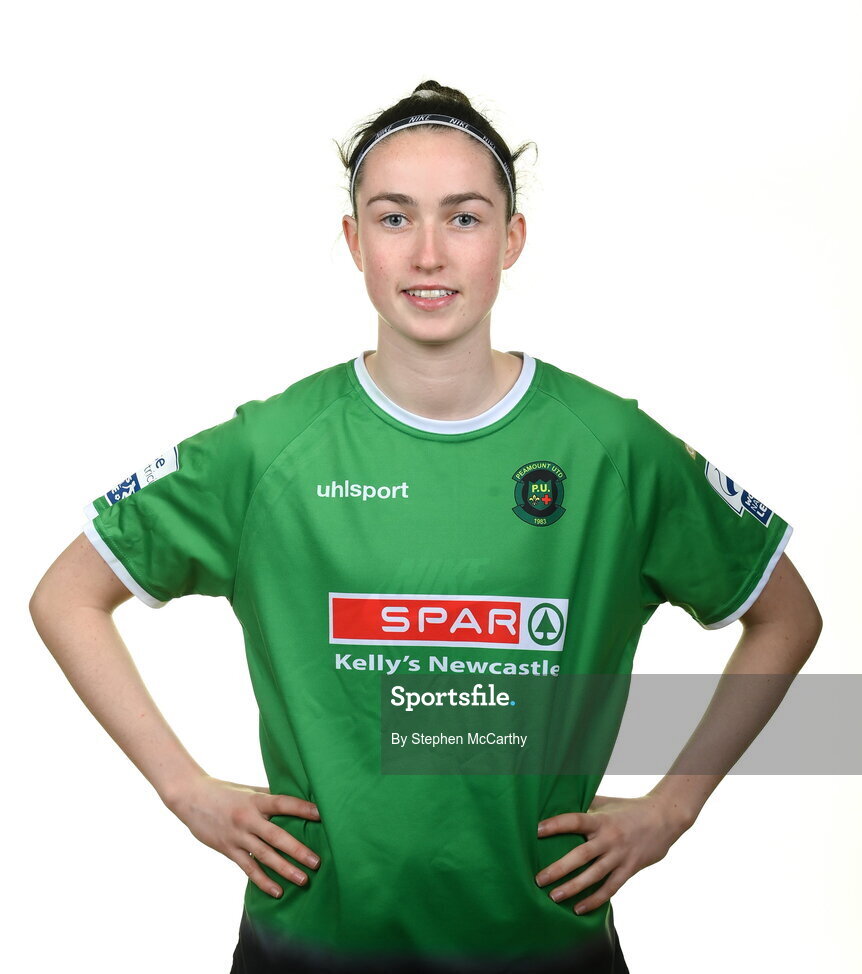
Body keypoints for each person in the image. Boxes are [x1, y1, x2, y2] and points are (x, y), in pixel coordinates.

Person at [29, 80, 822, 974]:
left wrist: (675, 805)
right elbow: (66, 595)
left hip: (544, 950)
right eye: (395, 218)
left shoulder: (613, 451)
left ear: (513, 239)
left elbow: (788, 615)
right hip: (311, 947)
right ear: (353, 242)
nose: (430, 255)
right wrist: (184, 789)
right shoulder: (271, 451)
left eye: (467, 218)